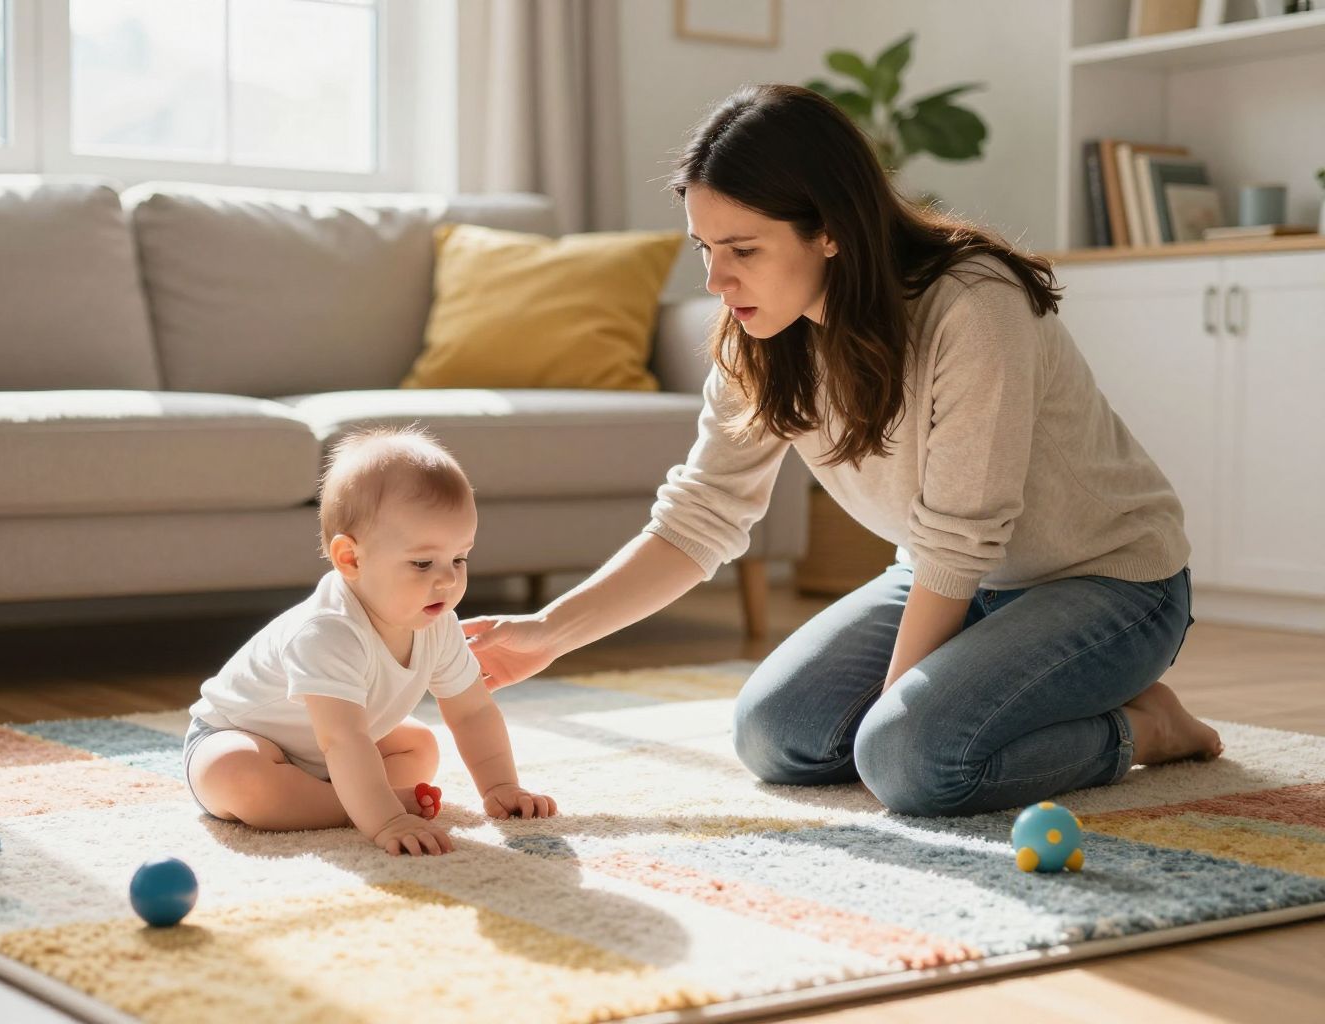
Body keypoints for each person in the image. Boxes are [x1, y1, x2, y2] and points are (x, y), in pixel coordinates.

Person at [461, 84, 1221, 818]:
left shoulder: (974, 306)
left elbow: (963, 534)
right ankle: (1003, 708)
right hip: (943, 573)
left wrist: (895, 729)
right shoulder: (755, 337)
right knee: (773, 735)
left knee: (908, 760)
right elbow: (701, 516)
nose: (716, 280)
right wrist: (547, 633)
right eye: (704, 248)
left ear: (829, 229)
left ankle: (1143, 729)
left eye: (742, 250)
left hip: (1109, 584)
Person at [185, 426, 556, 854]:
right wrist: (385, 820)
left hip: (334, 751)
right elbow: (341, 739)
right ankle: (351, 805)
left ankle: (345, 796)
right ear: (351, 558)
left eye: (459, 557)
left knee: (419, 746)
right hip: (240, 737)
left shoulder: (438, 625)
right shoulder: (328, 631)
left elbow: (472, 713)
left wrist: (501, 785)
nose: (448, 579)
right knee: (238, 776)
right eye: (422, 563)